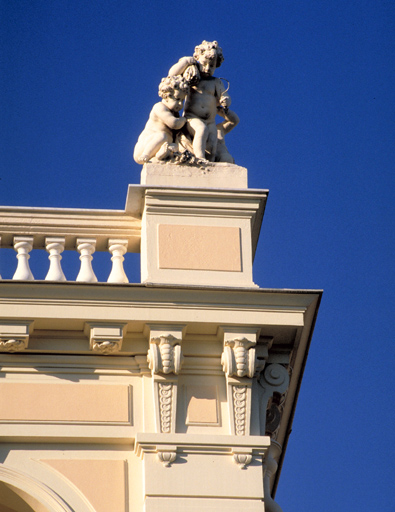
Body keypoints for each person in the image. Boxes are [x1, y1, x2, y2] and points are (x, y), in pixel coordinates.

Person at [168, 41, 231, 161]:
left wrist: (225, 100)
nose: (207, 68)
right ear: (197, 58)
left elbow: (225, 95)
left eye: (211, 66)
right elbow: (171, 74)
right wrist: (186, 61)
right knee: (201, 130)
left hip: (210, 121)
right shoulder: (192, 77)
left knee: (212, 143)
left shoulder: (216, 82)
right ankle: (199, 158)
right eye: (204, 64)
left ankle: (209, 163)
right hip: (192, 118)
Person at [133, 75, 188, 165]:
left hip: (162, 144)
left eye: (182, 101)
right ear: (166, 96)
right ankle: (146, 155)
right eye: (177, 99)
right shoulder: (159, 107)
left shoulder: (174, 113)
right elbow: (174, 124)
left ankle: (160, 155)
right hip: (145, 146)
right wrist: (185, 119)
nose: (180, 104)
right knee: (162, 136)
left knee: (174, 146)